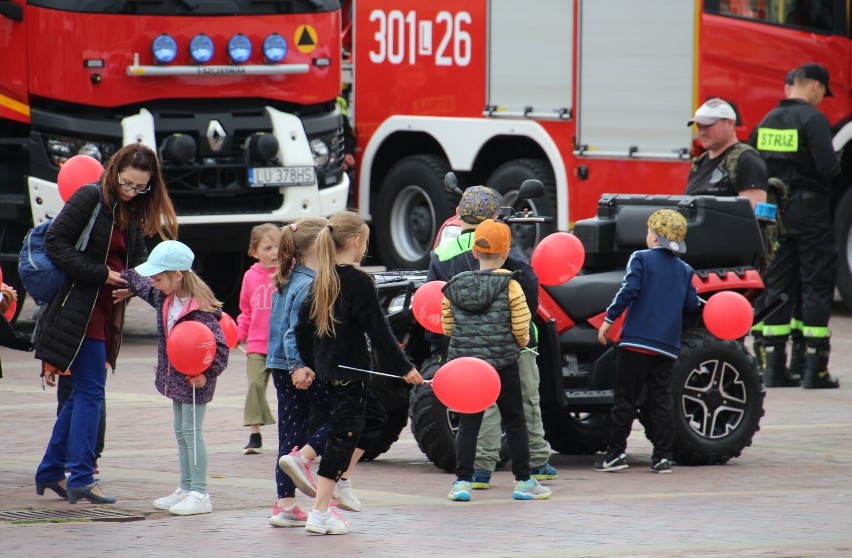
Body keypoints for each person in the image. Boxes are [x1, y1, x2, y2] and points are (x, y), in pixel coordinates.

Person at [34, 142, 178, 505]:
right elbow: (56, 243)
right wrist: (104, 274)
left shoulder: (131, 208)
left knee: (83, 391)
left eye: (140, 187)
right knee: (90, 391)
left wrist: (133, 284)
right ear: (114, 171)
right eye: (127, 184)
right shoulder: (89, 197)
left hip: (103, 309)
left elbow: (141, 261)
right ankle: (81, 476)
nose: (132, 192)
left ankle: (51, 470)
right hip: (77, 308)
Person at [294, 211, 423, 535]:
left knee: (375, 417)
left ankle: (341, 479)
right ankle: (320, 510)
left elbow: (301, 329)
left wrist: (310, 363)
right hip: (349, 373)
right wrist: (404, 368)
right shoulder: (358, 281)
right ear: (356, 242)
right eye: (365, 241)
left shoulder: (324, 277)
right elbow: (379, 331)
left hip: (331, 370)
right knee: (342, 437)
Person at [426, 185, 557, 489]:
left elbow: (434, 299)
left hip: (465, 346)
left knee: (477, 408)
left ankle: (479, 472)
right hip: (509, 344)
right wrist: (521, 334)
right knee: (524, 404)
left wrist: (441, 345)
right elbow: (528, 285)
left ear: (459, 214)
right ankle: (536, 465)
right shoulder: (500, 242)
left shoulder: (442, 253)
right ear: (495, 215)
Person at [272, 216, 391, 521]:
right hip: (303, 367)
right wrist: (300, 364)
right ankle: (318, 468)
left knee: (290, 433)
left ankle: (285, 505)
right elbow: (292, 332)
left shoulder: (287, 279)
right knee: (350, 415)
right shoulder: (310, 283)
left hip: (281, 366)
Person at [119, 240, 229, 515]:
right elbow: (142, 284)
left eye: (158, 277)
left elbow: (221, 348)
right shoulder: (164, 296)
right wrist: (121, 274)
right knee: (181, 432)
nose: (153, 282)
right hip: (176, 378)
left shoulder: (201, 309)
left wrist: (206, 372)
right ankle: (186, 486)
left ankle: (200, 493)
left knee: (192, 433)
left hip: (195, 380)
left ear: (178, 276)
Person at [750, 63, 841, 389]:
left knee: (779, 284)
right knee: (817, 281)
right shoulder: (813, 119)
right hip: (810, 210)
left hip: (774, 211)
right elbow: (829, 168)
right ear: (816, 86)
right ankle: (813, 369)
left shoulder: (768, 119)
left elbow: (754, 161)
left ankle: (773, 367)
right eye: (822, 92)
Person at [595, 209, 700, 474]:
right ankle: (663, 456)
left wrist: (609, 319)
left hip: (636, 343)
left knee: (625, 399)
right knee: (660, 401)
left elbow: (628, 290)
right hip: (667, 347)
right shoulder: (685, 270)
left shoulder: (640, 258)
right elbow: (691, 304)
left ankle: (615, 454)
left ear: (654, 236)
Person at [237, 223, 280, 454]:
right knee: (255, 384)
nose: (274, 253)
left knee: (288, 391)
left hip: (283, 344)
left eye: (279, 247)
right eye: (267, 248)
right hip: (257, 343)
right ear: (254, 252)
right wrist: (238, 335)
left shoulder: (289, 272)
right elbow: (246, 311)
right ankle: (255, 434)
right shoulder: (249, 277)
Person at [685, 98, 768, 208]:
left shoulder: (747, 161)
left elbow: (753, 218)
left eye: (708, 126)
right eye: (699, 126)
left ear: (730, 123)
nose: (702, 132)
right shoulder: (699, 164)